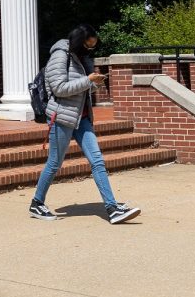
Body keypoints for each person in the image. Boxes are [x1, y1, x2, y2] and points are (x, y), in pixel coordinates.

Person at [29, 24, 141, 225]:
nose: (90, 50)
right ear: (80, 41)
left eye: (93, 47)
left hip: (83, 118)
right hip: (62, 117)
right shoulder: (60, 55)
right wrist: (88, 80)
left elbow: (81, 87)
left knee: (97, 160)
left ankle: (112, 207)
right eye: (88, 46)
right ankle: (37, 202)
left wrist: (95, 82)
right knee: (54, 163)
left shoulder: (81, 58)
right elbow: (59, 88)